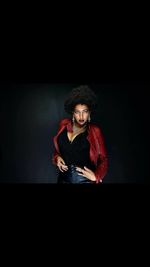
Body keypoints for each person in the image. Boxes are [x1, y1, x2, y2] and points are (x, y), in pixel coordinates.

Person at [52, 85, 108, 184]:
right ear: (73, 113)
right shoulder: (63, 125)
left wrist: (96, 176)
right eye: (77, 112)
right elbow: (59, 150)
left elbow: (103, 159)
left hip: (84, 181)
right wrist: (57, 158)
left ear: (89, 113)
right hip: (62, 180)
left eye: (84, 112)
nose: (81, 116)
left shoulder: (95, 131)